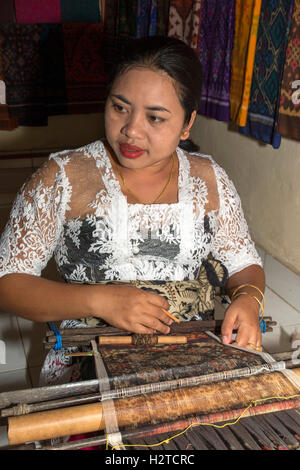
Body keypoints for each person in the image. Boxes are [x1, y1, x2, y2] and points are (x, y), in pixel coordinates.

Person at [0, 36, 265, 385]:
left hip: (190, 359)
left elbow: (244, 265)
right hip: (90, 366)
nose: (131, 130)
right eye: (119, 107)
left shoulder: (209, 178)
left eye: (155, 118)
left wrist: (248, 300)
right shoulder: (62, 177)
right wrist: (99, 301)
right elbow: (9, 283)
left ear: (187, 124)